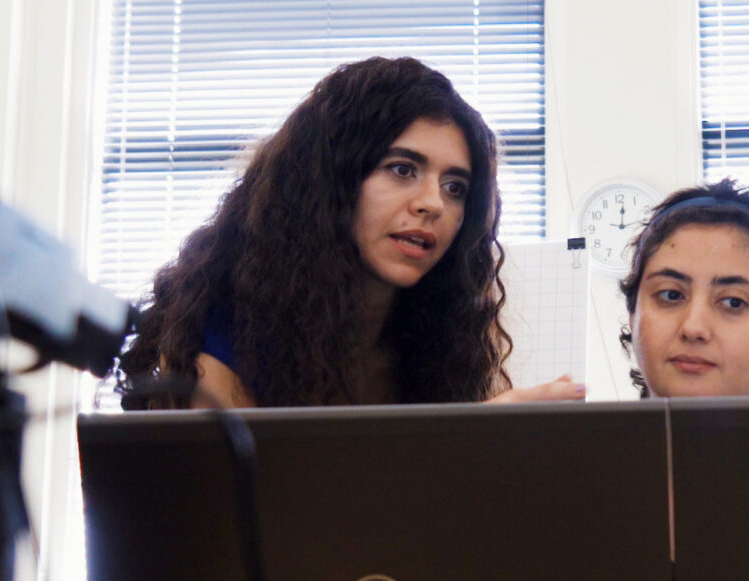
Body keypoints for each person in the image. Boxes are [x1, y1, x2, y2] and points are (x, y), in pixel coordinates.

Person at [115, 57, 582, 409]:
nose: (433, 203)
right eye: (402, 169)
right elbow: (253, 520)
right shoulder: (221, 337)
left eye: (455, 187)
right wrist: (462, 444)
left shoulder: (441, 344)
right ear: (329, 184)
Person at [618, 179, 749, 397]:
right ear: (633, 318)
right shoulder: (579, 432)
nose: (693, 328)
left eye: (733, 302)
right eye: (671, 295)